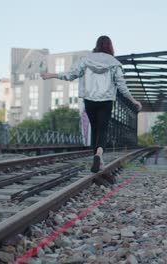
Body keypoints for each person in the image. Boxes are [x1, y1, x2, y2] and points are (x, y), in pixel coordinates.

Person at [41, 36, 142, 173]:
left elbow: (72, 74)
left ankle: (98, 158)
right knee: (103, 129)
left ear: (96, 45)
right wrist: (133, 100)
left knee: (95, 129)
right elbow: (122, 86)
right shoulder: (114, 64)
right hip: (106, 101)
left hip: (89, 100)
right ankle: (99, 155)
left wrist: (52, 75)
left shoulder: (86, 60)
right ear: (110, 47)